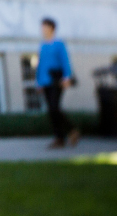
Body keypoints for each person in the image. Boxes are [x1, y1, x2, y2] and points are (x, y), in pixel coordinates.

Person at [37, 17, 80, 148]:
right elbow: (40, 65)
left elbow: (65, 61)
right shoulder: (43, 46)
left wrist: (67, 77)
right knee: (51, 110)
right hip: (45, 82)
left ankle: (70, 130)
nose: (42, 30)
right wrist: (38, 82)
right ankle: (60, 138)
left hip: (57, 80)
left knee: (54, 108)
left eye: (45, 27)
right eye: (42, 27)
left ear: (51, 28)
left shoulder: (59, 44)